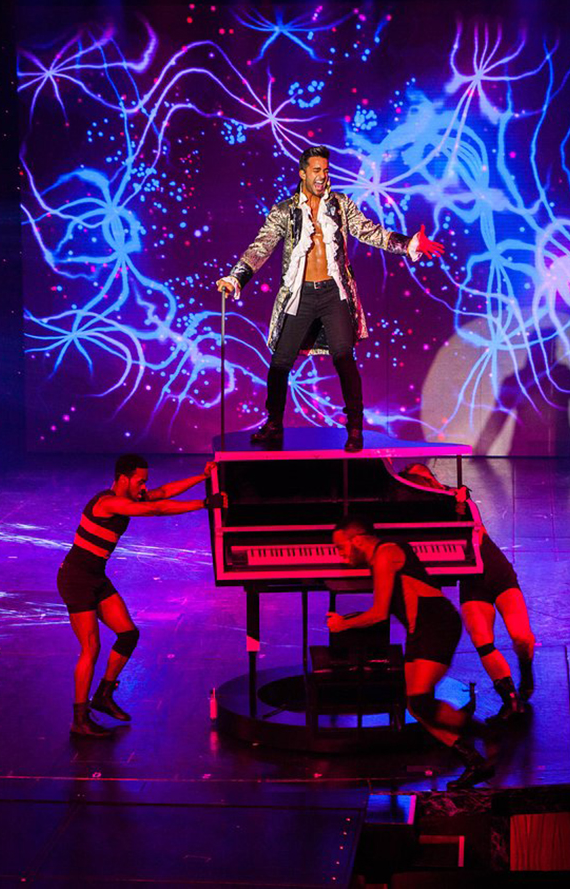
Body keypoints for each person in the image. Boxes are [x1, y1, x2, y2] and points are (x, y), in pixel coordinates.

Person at [217, 145, 445, 453]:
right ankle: (273, 424)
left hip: (332, 293)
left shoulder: (340, 205)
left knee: (343, 356)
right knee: (280, 362)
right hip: (300, 294)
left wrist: (409, 244)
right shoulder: (285, 211)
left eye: (325, 170)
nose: (322, 176)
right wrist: (236, 277)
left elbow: (370, 232)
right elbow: (261, 247)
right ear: (302, 174)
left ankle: (355, 428)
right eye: (316, 170)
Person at [59, 454, 225, 737]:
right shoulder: (108, 502)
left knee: (128, 635)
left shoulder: (129, 498)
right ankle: (79, 719)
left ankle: (104, 695)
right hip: (76, 580)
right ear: (123, 479)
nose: (144, 487)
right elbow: (156, 509)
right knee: (91, 648)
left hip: (96, 578)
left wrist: (203, 477)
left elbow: (163, 493)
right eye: (140, 481)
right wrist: (205, 503)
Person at [327, 515, 494, 789]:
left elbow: (379, 614)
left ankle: (486, 734)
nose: (341, 555)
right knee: (416, 707)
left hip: (436, 623)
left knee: (420, 702)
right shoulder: (378, 558)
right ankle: (474, 761)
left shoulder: (386, 554)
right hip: (420, 630)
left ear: (356, 539)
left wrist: (343, 624)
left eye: (340, 547)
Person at [399, 463, 536, 721]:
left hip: (496, 571)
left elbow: (476, 528)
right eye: (415, 478)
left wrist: (459, 502)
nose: (423, 479)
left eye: (424, 475)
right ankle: (510, 700)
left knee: (522, 637)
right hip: (472, 580)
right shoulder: (420, 510)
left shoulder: (457, 496)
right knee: (482, 641)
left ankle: (526, 670)